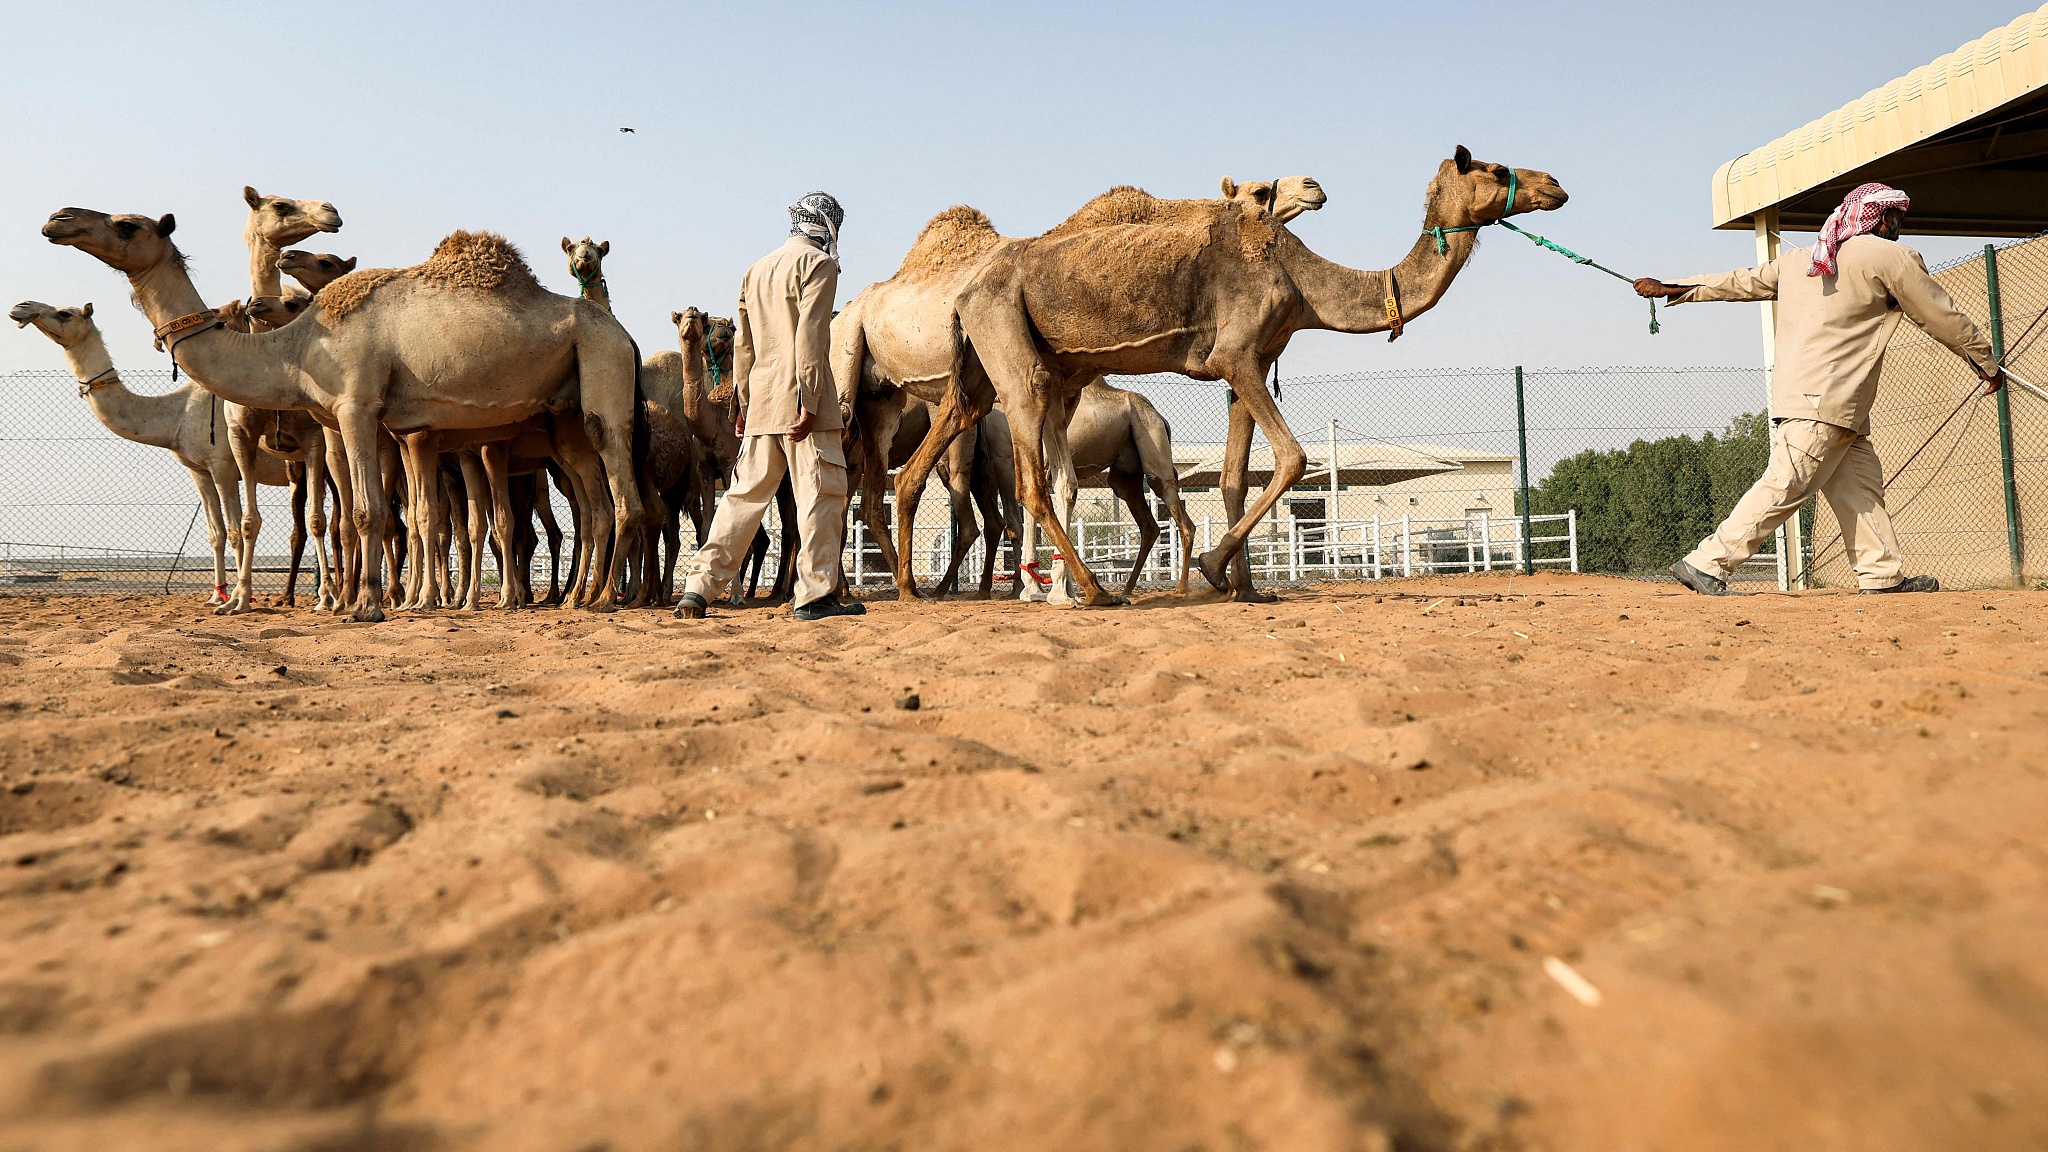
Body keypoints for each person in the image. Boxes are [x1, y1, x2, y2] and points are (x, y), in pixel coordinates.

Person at [1635, 182, 2004, 596]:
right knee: (1787, 481)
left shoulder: (1802, 260)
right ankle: (1707, 563)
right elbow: (1940, 316)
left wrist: (1676, 287)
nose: (1899, 225)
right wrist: (1986, 362)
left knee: (1860, 487)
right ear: (1881, 218)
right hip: (1827, 399)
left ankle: (1881, 575)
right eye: (1896, 217)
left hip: (1824, 401)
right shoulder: (1891, 258)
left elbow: (1742, 282)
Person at [676, 192, 863, 621]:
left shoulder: (755, 270)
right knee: (821, 496)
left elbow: (744, 345)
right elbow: (811, 339)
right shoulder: (819, 266)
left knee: (742, 497)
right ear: (827, 224)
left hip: (762, 403)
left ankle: (698, 588)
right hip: (802, 406)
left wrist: (742, 403)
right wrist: (811, 400)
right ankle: (815, 596)